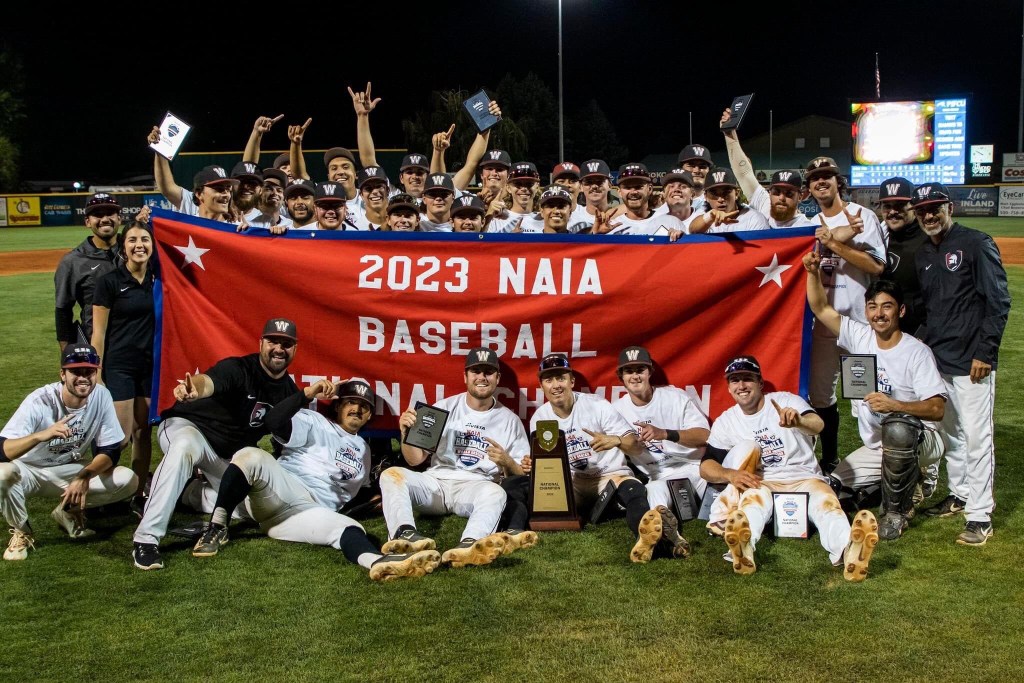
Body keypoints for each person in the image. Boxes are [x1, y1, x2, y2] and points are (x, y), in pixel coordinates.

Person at [190, 379, 441, 581]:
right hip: (284, 487)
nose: (357, 408)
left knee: (349, 528)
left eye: (364, 406)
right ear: (338, 406)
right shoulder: (315, 422)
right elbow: (273, 421)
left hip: (301, 514)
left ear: (368, 416)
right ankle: (217, 527)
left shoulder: (365, 452)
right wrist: (307, 394)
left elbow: (365, 491)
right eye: (351, 402)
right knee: (250, 456)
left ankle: (377, 562)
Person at [131, 318, 301, 570]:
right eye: (273, 341)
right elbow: (207, 382)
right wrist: (193, 390)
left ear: (295, 349)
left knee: (248, 509)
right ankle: (146, 539)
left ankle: (187, 493)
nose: (279, 348)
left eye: (286, 344)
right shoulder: (239, 368)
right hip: (188, 427)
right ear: (261, 343)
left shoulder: (289, 391)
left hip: (223, 457)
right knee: (185, 446)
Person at [699, 356, 879, 581]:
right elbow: (706, 466)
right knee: (752, 505)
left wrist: (799, 422)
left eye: (748, 379)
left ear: (760, 383)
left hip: (804, 476)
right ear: (728, 387)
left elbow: (818, 425)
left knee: (828, 506)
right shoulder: (727, 421)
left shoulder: (785, 401)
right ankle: (743, 549)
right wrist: (730, 474)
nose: (741, 386)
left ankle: (849, 550)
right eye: (735, 380)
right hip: (763, 480)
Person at [805, 259, 946, 540]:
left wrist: (895, 405)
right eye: (872, 307)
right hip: (878, 446)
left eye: (887, 306)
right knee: (834, 487)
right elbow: (821, 308)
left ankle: (896, 512)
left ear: (901, 311)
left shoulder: (916, 352)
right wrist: (812, 273)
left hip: (922, 440)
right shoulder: (860, 336)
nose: (879, 314)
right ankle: (903, 483)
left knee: (898, 426)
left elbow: (937, 408)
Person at [510, 354, 683, 563]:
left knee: (634, 491)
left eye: (561, 378)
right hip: (572, 483)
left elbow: (636, 447)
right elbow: (548, 461)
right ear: (541, 386)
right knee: (520, 486)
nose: (556, 385)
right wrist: (533, 464)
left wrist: (617, 440)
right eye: (549, 380)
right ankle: (512, 533)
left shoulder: (597, 406)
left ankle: (645, 538)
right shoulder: (540, 417)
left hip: (610, 476)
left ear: (571, 381)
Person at [912, 182, 1011, 546]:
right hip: (939, 360)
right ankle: (959, 494)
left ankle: (980, 515)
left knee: (977, 438)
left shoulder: (976, 243)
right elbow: (933, 309)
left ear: (949, 207)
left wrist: (986, 352)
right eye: (922, 210)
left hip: (972, 363)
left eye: (935, 207)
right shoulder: (924, 253)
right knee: (951, 434)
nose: (929, 215)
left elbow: (998, 301)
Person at [379, 348, 532, 567]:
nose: (481, 377)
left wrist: (507, 461)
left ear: (497, 378)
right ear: (465, 376)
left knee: (496, 492)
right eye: (475, 371)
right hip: (436, 484)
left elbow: (520, 473)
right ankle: (405, 536)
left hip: (475, 487)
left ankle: (470, 544)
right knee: (390, 475)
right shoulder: (442, 409)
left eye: (488, 372)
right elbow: (414, 460)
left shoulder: (510, 420)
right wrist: (405, 434)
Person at [1, 345, 136, 560]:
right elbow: (2, 450)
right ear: (62, 374)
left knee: (127, 479)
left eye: (89, 372)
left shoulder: (101, 396)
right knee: (2, 474)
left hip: (68, 470)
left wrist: (85, 476)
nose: (83, 378)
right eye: (76, 372)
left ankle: (66, 511)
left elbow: (110, 451)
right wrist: (40, 436)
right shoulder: (40, 400)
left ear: (96, 373)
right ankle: (22, 531)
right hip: (28, 471)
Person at [805, 156, 887, 472]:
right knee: (820, 396)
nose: (821, 181)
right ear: (809, 188)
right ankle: (830, 460)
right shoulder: (806, 224)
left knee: (865, 399)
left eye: (827, 175)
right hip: (822, 325)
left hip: (857, 326)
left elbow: (877, 267)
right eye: (815, 178)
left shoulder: (861, 216)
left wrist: (835, 245)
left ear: (839, 181)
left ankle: (879, 465)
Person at [91, 216, 157, 513]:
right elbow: (99, 333)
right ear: (123, 245)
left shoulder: (162, 280)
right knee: (120, 435)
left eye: (144, 239)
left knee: (144, 433)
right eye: (132, 240)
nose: (139, 245)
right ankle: (100, 490)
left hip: (150, 368)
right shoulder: (109, 282)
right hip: (118, 366)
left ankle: (138, 492)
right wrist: (97, 372)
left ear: (153, 245)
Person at [612, 346, 710, 517]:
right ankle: (665, 532)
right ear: (621, 377)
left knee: (725, 507)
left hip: (696, 469)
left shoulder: (675, 397)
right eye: (628, 371)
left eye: (640, 370)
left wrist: (665, 433)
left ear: (650, 372)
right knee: (653, 495)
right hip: (660, 475)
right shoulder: (616, 411)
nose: (635, 376)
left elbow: (705, 436)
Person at [719, 108, 814, 228]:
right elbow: (744, 174)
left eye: (789, 193)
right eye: (776, 192)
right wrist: (728, 133)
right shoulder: (764, 204)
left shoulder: (806, 228)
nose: (781, 198)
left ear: (800, 197)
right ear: (769, 193)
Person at [54, 193, 120, 351]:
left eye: (110, 213)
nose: (104, 219)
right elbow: (63, 310)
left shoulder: (134, 250)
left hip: (137, 341)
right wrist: (66, 354)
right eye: (97, 215)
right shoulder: (72, 261)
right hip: (96, 343)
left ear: (119, 218)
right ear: (87, 222)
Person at [878, 177, 928, 336]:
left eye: (900, 205)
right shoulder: (879, 235)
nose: (892, 212)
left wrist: (925, 332)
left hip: (919, 331)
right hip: (887, 327)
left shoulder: (928, 238)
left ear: (913, 206)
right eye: (887, 206)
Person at [595, 164, 685, 236]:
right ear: (619, 192)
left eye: (638, 187)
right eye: (627, 187)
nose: (633, 192)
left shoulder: (672, 222)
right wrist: (597, 236)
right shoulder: (610, 227)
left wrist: (681, 239)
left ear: (650, 189)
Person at [686, 167, 770, 234]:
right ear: (706, 197)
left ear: (736, 194)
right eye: (714, 194)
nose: (720, 199)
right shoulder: (702, 214)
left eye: (726, 192)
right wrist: (710, 217)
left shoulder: (754, 218)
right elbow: (692, 230)